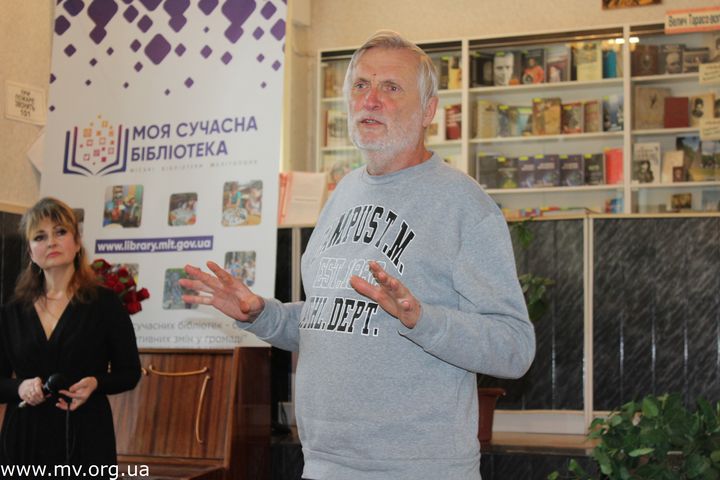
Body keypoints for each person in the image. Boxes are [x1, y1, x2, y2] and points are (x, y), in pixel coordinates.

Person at [180, 31, 535, 480]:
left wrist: (422, 319)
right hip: (323, 464)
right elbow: (332, 320)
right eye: (361, 85)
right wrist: (262, 315)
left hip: (418, 470)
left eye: (391, 87)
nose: (370, 100)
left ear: (428, 111)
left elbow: (514, 348)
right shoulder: (343, 193)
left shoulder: (465, 206)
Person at [0, 197, 141, 476]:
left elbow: (129, 373)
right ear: (30, 252)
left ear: (77, 243)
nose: (51, 242)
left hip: (86, 433)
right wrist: (20, 387)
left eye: (60, 232)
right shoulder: (11, 311)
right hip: (24, 439)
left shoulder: (106, 303)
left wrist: (96, 383)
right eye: (40, 236)